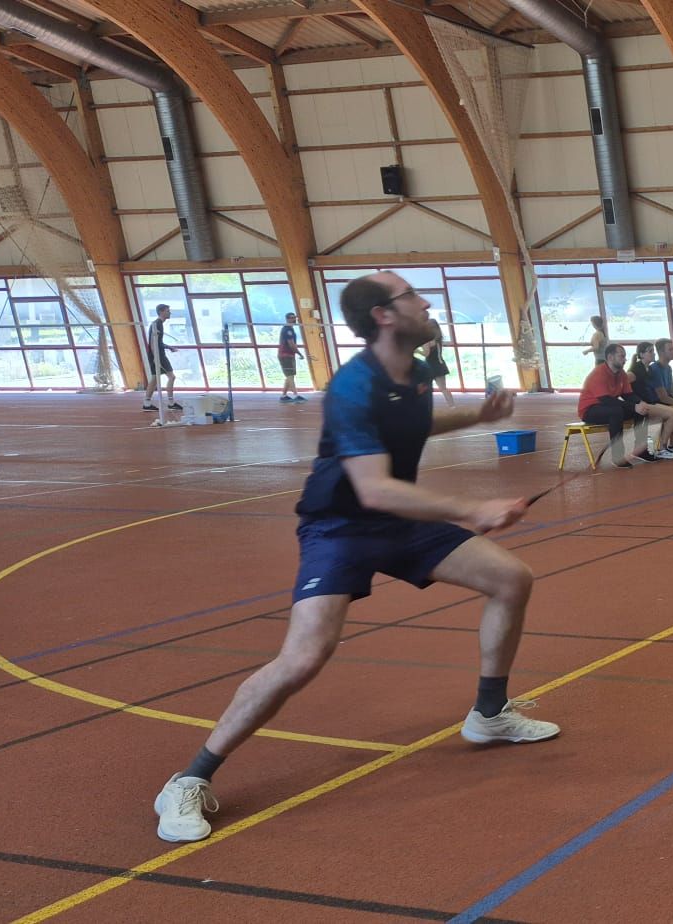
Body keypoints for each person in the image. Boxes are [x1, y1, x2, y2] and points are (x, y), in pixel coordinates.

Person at [151, 271, 556, 844]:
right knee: (303, 658)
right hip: (340, 527)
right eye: (412, 296)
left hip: (399, 521)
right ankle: (189, 780)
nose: (426, 302)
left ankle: (489, 715)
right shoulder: (351, 386)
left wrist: (478, 416)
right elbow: (374, 488)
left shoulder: (416, 370)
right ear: (384, 316)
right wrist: (473, 509)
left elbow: (414, 421)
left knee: (511, 578)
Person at [580, 342, 673, 466]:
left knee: (642, 410)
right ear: (610, 357)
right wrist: (634, 406)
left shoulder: (621, 374)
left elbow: (628, 394)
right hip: (590, 410)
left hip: (609, 407)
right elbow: (606, 399)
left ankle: (641, 450)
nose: (625, 359)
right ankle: (617, 455)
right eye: (621, 356)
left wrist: (641, 403)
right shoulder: (599, 373)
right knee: (617, 411)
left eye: (625, 356)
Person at [143, 304, 181, 416]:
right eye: (167, 311)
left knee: (155, 379)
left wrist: (169, 347)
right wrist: (156, 357)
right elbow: (152, 342)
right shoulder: (157, 323)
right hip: (158, 356)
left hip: (158, 354)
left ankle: (147, 404)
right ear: (161, 312)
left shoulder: (159, 324)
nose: (170, 313)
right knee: (171, 377)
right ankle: (170, 403)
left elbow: (158, 342)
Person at [277, 312, 307, 403]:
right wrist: (299, 353)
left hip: (289, 355)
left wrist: (296, 353)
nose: (294, 319)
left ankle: (283, 396)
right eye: (292, 318)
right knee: (290, 376)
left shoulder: (290, 329)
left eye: (295, 318)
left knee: (290, 375)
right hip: (285, 356)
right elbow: (291, 344)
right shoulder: (287, 330)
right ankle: (295, 395)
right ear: (287, 319)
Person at [422, 332, 455, 406]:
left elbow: (426, 354)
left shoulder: (427, 341)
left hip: (431, 366)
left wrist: (416, 351)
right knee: (443, 388)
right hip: (440, 365)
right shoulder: (438, 340)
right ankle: (452, 406)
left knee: (424, 388)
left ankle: (424, 407)